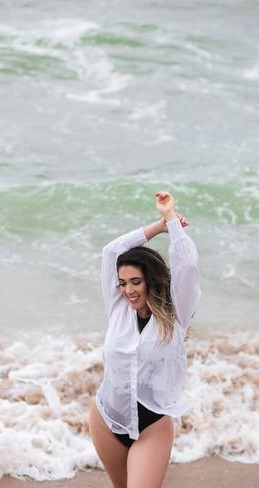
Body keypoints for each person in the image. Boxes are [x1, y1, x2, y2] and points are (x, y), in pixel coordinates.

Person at [88, 190, 201, 488]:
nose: (128, 290)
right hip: (107, 419)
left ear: (151, 279)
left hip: (152, 425)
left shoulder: (176, 314)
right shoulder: (118, 308)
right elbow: (111, 251)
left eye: (136, 282)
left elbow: (187, 267)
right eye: (123, 283)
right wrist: (156, 227)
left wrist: (171, 220)